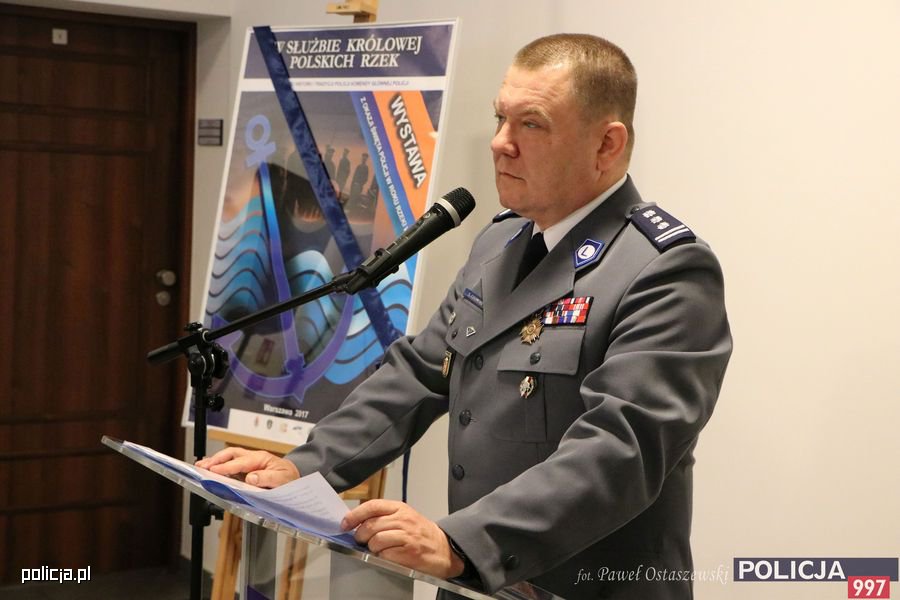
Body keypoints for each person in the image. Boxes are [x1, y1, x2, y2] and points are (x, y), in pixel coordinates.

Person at [198, 33, 732, 599]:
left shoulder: (665, 270)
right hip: (480, 581)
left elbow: (623, 448)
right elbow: (420, 374)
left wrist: (462, 543)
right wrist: (302, 469)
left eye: (532, 124)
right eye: (500, 118)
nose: (500, 143)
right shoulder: (500, 242)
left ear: (607, 144)